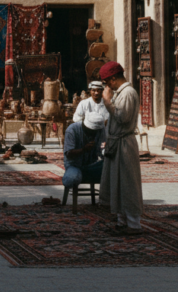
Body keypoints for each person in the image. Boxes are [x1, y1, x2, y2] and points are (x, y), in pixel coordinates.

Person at [98, 61, 143, 235]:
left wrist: (108, 102)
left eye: (107, 82)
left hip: (124, 145)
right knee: (117, 183)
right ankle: (122, 221)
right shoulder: (121, 93)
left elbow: (123, 117)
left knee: (128, 184)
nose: (107, 86)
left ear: (114, 79)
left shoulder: (128, 93)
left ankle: (133, 224)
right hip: (116, 144)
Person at [62, 112, 107, 192]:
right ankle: (77, 175)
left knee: (114, 169)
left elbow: (101, 150)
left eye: (94, 132)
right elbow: (69, 154)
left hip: (92, 166)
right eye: (91, 131)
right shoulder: (72, 129)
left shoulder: (100, 130)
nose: (93, 134)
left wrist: (106, 151)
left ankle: (107, 201)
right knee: (71, 179)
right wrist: (83, 150)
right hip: (74, 165)